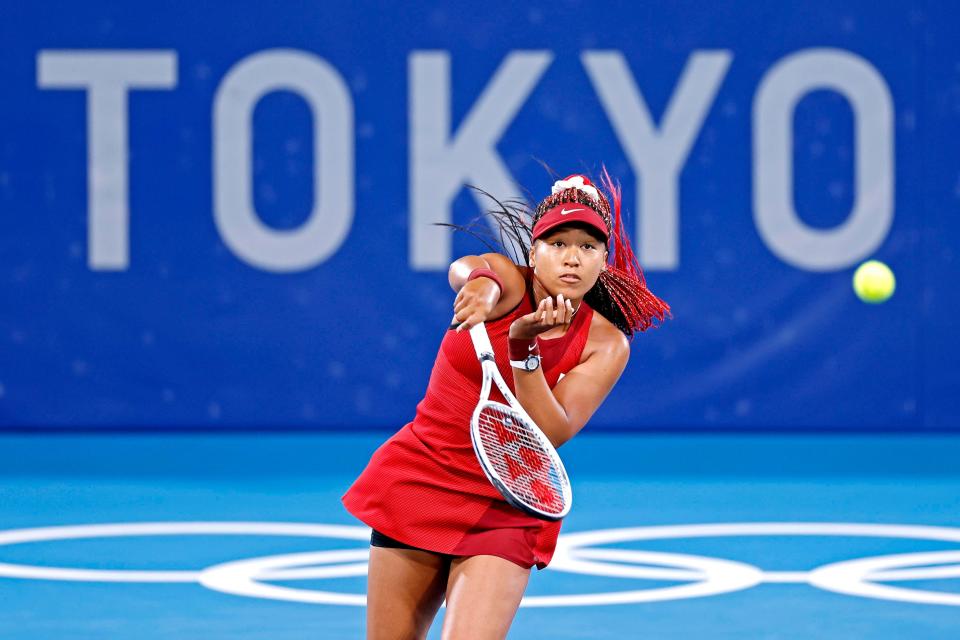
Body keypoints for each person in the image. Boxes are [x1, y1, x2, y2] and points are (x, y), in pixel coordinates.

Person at [342, 172, 670, 640]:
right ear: (534, 253)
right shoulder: (510, 285)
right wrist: (477, 284)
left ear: (603, 259)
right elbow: (474, 268)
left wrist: (524, 349)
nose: (572, 257)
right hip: (420, 480)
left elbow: (551, 432)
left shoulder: (606, 343)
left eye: (588, 246)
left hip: (506, 501)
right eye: (557, 243)